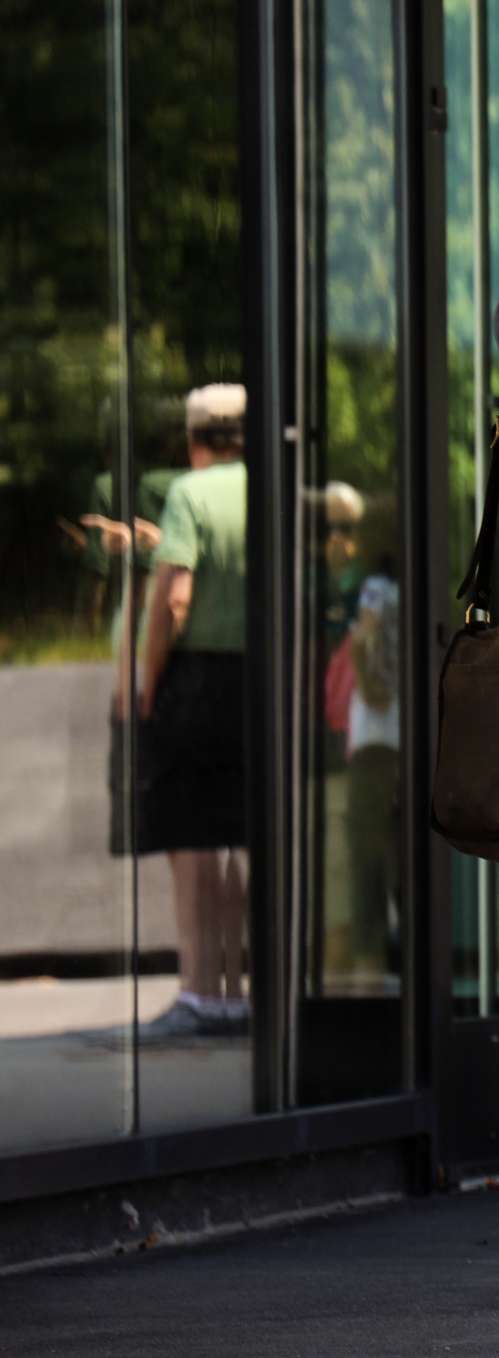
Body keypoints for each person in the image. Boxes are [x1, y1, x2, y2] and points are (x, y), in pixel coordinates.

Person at [138, 383, 251, 1041]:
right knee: (253, 833)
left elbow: (173, 598)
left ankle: (201, 990)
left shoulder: (189, 494)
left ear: (193, 437)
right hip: (265, 676)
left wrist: (150, 680)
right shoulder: (275, 489)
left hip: (201, 678)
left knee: (195, 838)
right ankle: (253, 987)